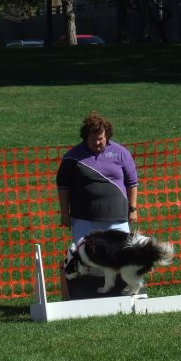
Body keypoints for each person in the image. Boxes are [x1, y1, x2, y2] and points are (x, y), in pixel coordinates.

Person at [56, 111, 139, 298]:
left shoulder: (121, 153)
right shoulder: (72, 158)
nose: (98, 142)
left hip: (117, 218)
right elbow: (63, 187)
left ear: (106, 135)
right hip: (84, 219)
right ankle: (84, 297)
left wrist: (133, 208)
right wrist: (64, 213)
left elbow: (132, 182)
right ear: (85, 137)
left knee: (124, 256)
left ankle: (126, 295)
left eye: (101, 138)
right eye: (93, 139)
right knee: (86, 259)